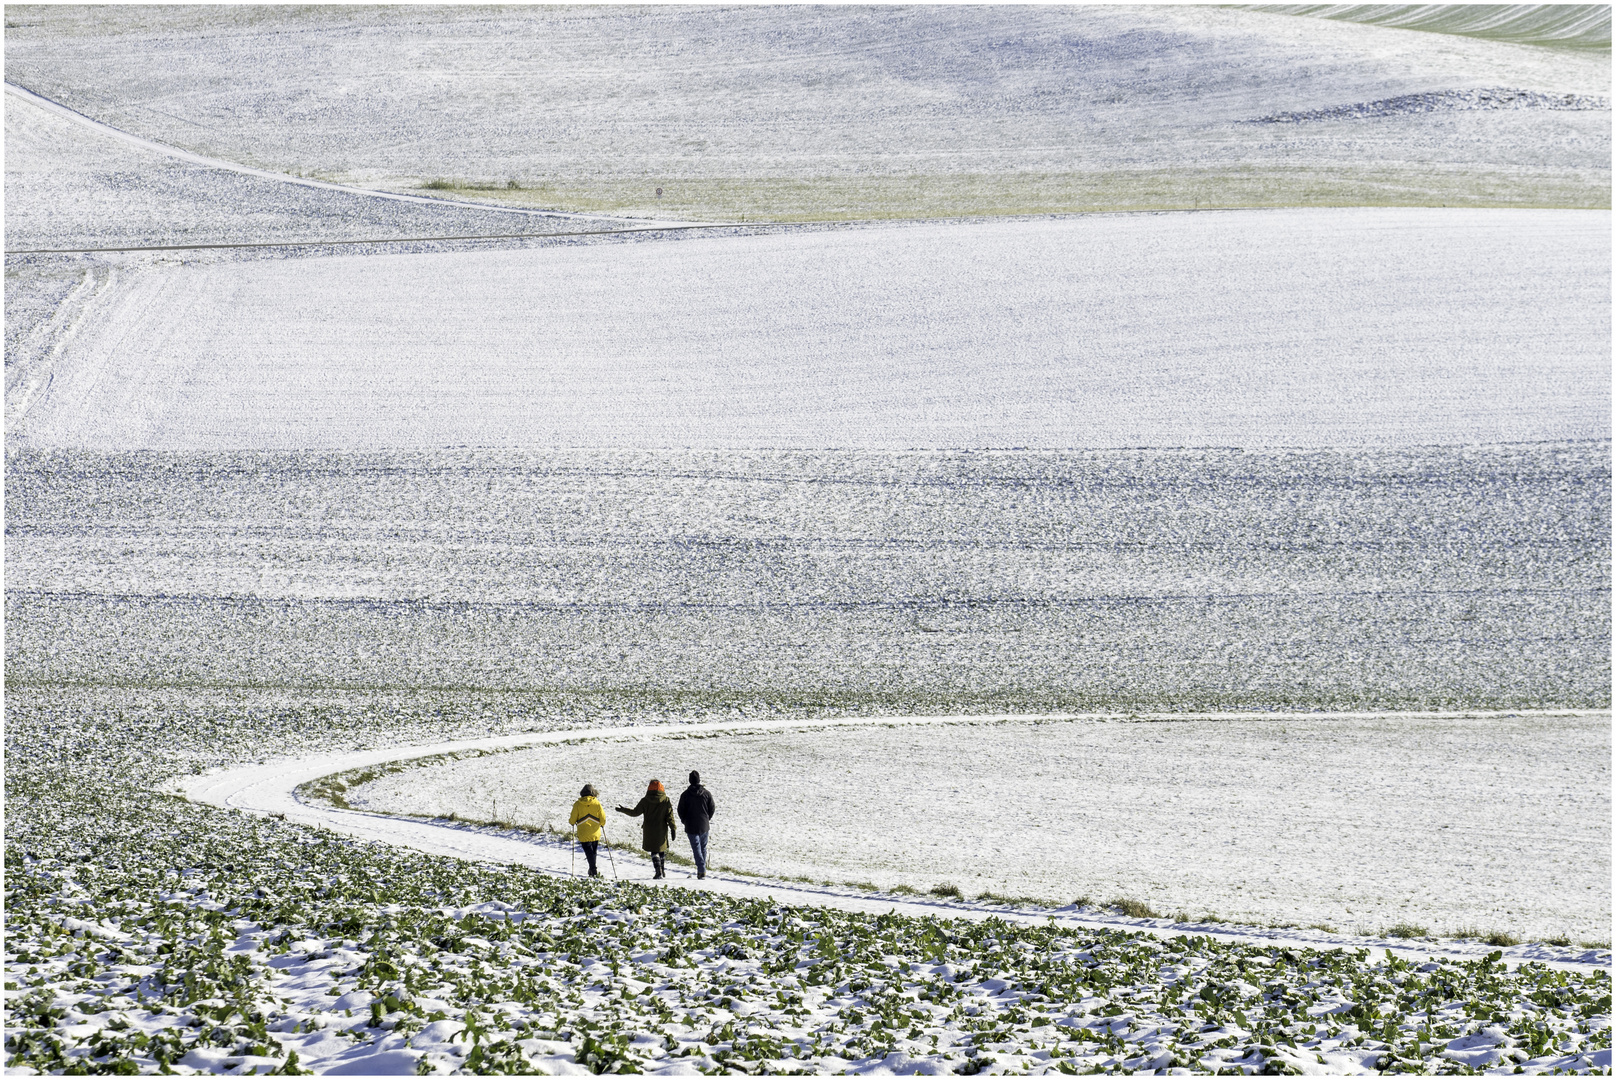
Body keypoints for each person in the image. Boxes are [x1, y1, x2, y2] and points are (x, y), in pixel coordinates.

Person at [616, 779, 676, 879]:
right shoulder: (666, 800)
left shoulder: (645, 800)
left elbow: (635, 813)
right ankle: (662, 871)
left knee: (654, 851)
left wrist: (623, 810)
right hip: (662, 829)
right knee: (661, 850)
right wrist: (673, 828)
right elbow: (670, 816)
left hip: (649, 830)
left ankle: (658, 872)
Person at [677, 770, 716, 879]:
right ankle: (701, 870)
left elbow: (680, 810)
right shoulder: (707, 794)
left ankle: (701, 870)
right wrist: (707, 818)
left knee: (696, 848)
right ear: (699, 780)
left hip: (691, 825)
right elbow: (712, 808)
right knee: (702, 847)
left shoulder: (685, 795)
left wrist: (684, 820)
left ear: (690, 781)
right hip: (704, 825)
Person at [569, 785, 606, 877]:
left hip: (583, 831)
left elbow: (573, 818)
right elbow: (602, 816)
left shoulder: (577, 804)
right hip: (595, 831)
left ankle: (593, 869)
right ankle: (592, 869)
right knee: (593, 851)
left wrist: (572, 822)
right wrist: (602, 823)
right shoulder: (597, 803)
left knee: (588, 851)